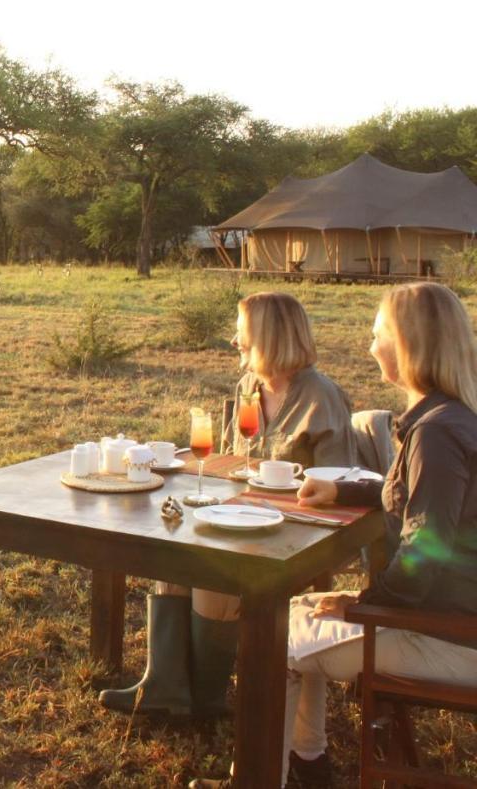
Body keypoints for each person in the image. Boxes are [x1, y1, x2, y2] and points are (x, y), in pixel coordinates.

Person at [190, 282, 477, 788]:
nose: (369, 345)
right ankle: (308, 760)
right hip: (448, 616)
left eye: (377, 333)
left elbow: (426, 551)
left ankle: (256, 779)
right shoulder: (449, 417)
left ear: (408, 343)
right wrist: (352, 495)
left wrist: (363, 602)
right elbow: (429, 503)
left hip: (449, 635)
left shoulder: (436, 432)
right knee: (295, 612)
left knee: (272, 635)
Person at [100, 292, 356, 719]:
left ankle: (205, 696)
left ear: (269, 338)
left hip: (293, 530)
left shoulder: (321, 397)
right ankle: (164, 683)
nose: (235, 341)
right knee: (175, 548)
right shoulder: (248, 388)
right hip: (239, 514)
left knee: (214, 570)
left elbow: (338, 487)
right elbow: (233, 463)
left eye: (242, 333)